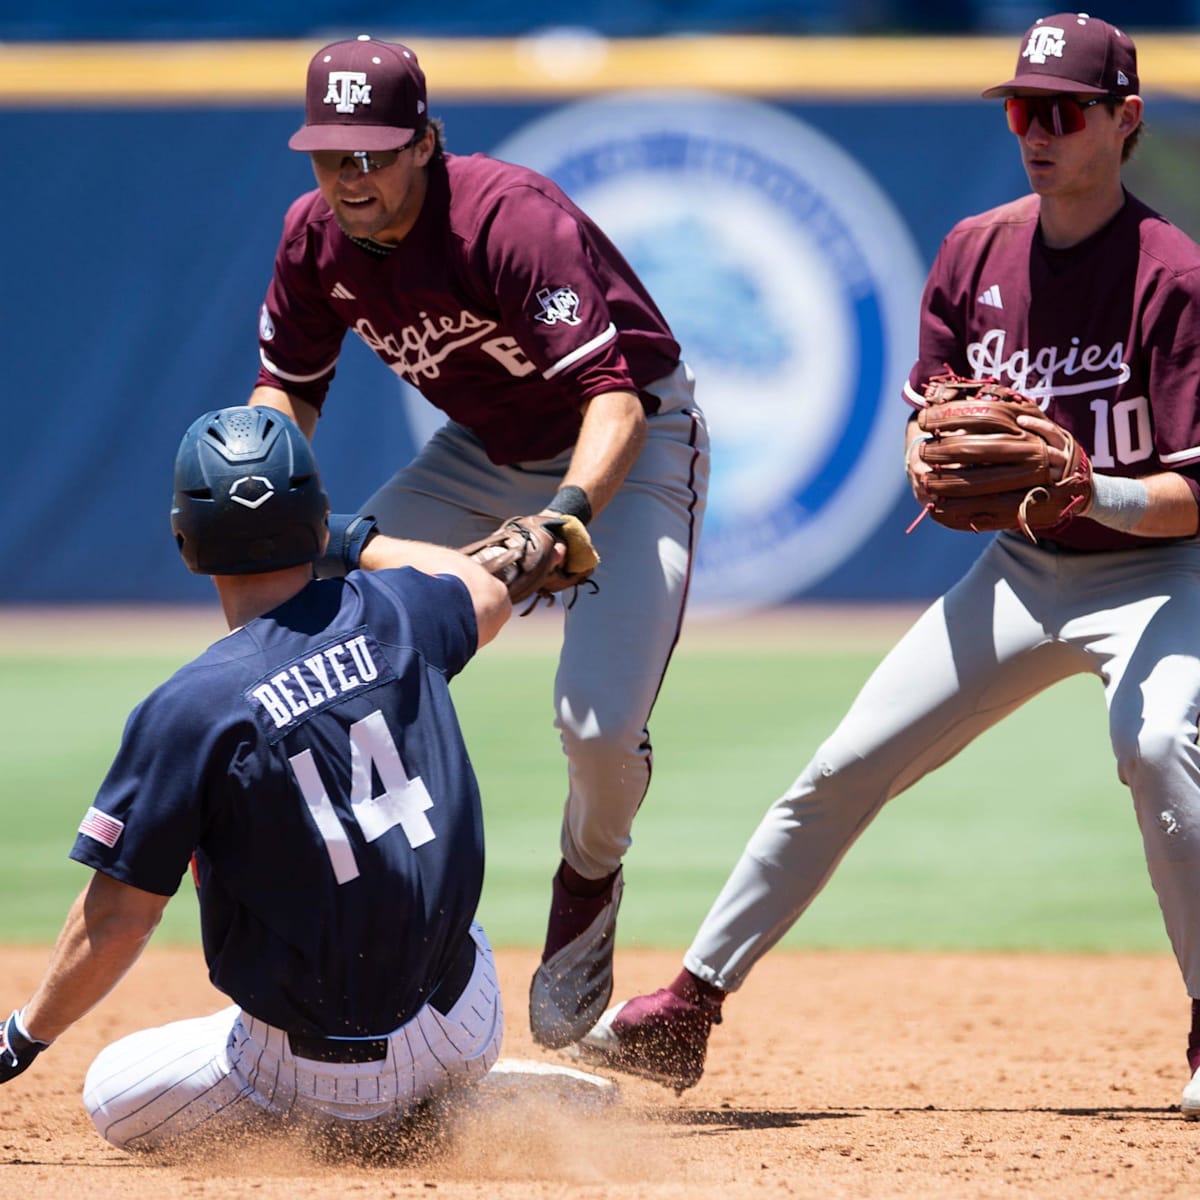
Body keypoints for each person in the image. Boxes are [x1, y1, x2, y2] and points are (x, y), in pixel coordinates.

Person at [577, 12, 1200, 1117]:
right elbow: (931, 411)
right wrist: (934, 449)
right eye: (1022, 110)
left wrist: (1084, 488)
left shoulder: (1175, 277)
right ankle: (688, 1007)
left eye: (1063, 112)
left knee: (1156, 745)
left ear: (1125, 120)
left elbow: (1196, 494)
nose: (1037, 132)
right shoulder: (974, 251)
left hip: (1159, 570)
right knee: (845, 764)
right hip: (1022, 569)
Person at [248, 35, 710, 1051]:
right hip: (487, 451)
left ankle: (587, 881)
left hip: (629, 444)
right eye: (333, 155)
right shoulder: (312, 238)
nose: (352, 176)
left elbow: (616, 402)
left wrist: (568, 517)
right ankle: (345, 914)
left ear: (426, 142)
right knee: (311, 647)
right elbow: (290, 388)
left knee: (595, 728)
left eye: (374, 152)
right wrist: (260, 471)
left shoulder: (509, 217)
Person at [0, 406, 519, 1151]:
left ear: (186, 540)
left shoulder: (190, 707)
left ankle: (356, 1126)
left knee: (109, 1090)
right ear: (313, 518)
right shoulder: (397, 609)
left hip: (310, 1079)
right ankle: (443, 1095)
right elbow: (483, 590)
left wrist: (21, 1036)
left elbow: (119, 919)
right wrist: (355, 537)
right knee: (437, 912)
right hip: (466, 1022)